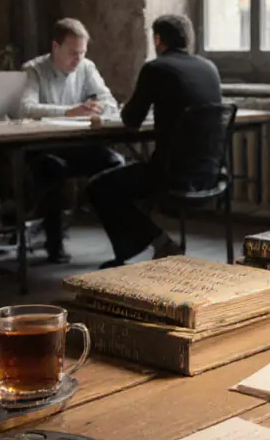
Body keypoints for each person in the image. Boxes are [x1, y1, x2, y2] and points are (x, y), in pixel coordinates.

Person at [87, 14, 223, 268]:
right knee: (127, 180)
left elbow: (130, 120)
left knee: (99, 187)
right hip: (210, 173)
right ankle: (147, 249)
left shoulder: (156, 68)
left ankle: (156, 244)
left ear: (158, 40)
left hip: (172, 175)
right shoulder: (209, 68)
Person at [19, 18, 124, 262]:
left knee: (115, 163)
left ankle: (123, 241)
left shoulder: (86, 67)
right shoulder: (33, 70)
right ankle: (54, 244)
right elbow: (26, 108)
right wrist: (69, 111)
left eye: (82, 52)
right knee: (51, 169)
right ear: (55, 47)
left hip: (77, 144)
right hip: (42, 146)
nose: (78, 59)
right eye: (73, 53)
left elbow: (110, 102)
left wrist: (98, 107)